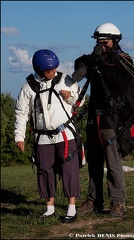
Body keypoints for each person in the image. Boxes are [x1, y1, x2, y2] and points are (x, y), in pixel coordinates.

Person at [72, 23, 134, 217]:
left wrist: (99, 62)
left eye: (104, 41)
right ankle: (94, 199)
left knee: (112, 160)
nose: (102, 44)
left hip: (112, 118)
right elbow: (78, 67)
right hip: (95, 114)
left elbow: (117, 82)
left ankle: (118, 202)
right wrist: (93, 58)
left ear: (114, 40)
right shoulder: (94, 59)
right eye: (98, 41)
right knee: (94, 160)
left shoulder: (125, 61)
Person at [14, 49, 85, 223]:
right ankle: (49, 209)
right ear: (39, 70)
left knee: (69, 170)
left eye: (55, 68)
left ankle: (71, 209)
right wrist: (19, 136)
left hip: (66, 134)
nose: (53, 72)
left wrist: (70, 97)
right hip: (43, 137)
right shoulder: (28, 88)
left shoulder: (66, 81)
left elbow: (80, 100)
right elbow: (21, 113)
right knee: (45, 170)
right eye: (49, 70)